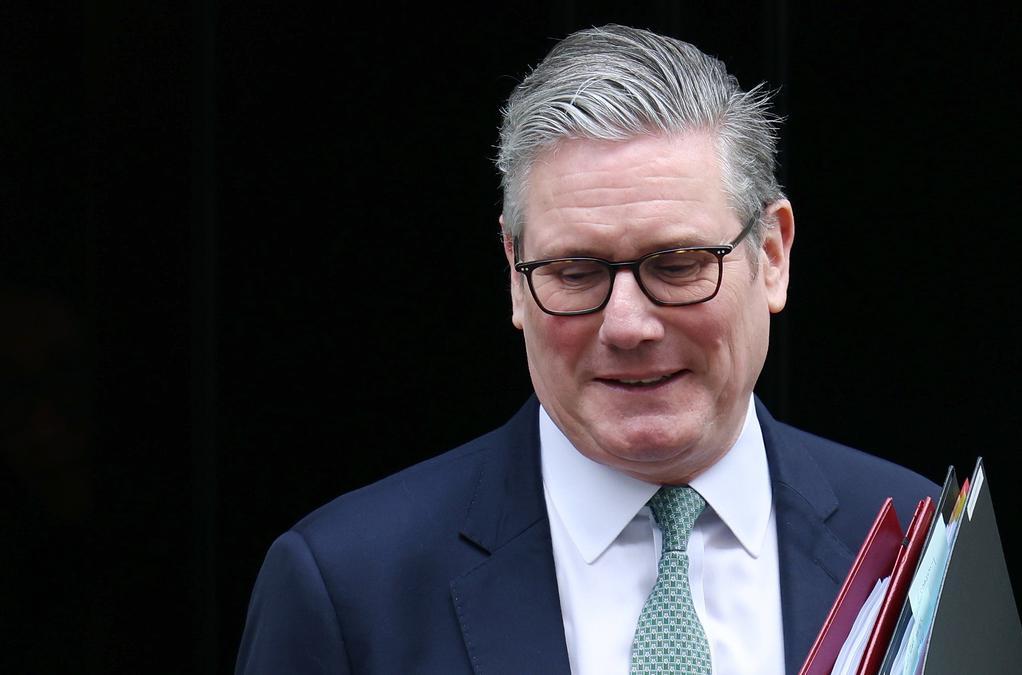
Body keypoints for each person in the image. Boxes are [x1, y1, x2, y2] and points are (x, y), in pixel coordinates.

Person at [236, 25, 935, 674]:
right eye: (575, 272)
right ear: (515, 274)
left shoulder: (921, 542)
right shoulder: (350, 586)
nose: (628, 325)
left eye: (678, 263)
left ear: (773, 255)